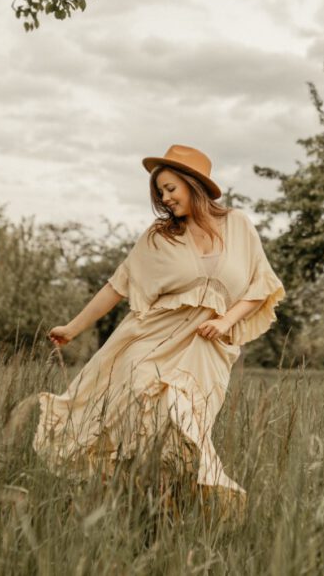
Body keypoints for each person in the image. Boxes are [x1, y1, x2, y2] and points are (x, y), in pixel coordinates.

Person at [33, 144, 285, 503]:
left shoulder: (238, 225)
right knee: (144, 411)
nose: (164, 198)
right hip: (152, 339)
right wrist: (73, 327)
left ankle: (177, 503)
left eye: (170, 189)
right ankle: (142, 503)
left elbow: (261, 286)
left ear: (193, 185)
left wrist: (226, 319)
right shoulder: (159, 236)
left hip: (207, 348)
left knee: (183, 423)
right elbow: (117, 284)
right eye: (159, 192)